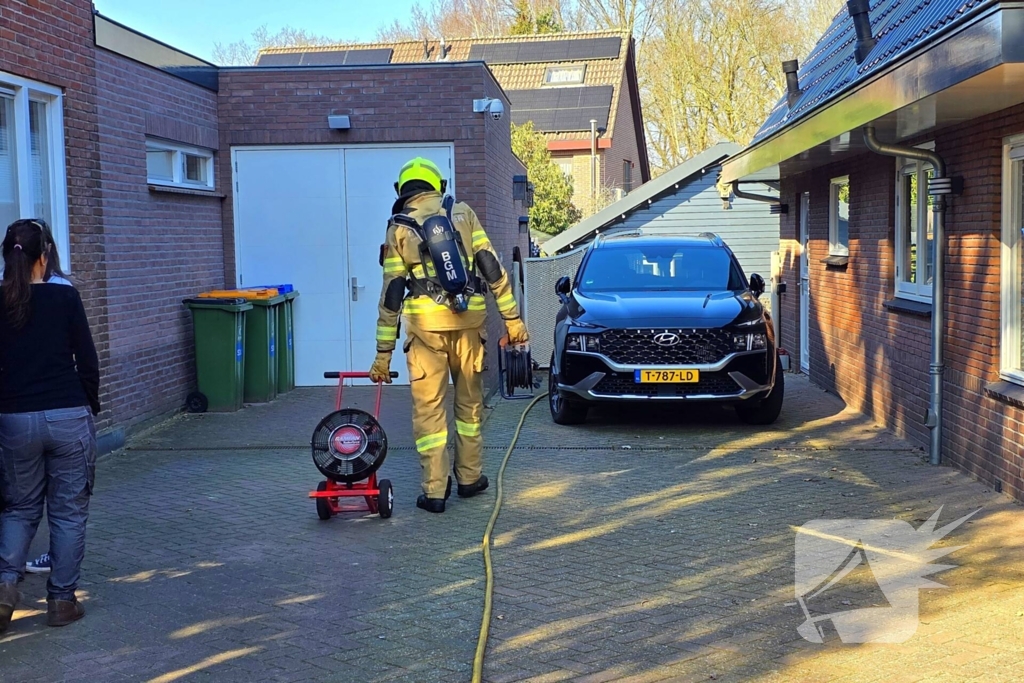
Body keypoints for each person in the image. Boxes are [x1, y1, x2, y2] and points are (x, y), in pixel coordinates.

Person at [370, 157, 529, 513]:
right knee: (469, 405)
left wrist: (383, 354)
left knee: (429, 413)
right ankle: (470, 479)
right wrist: (513, 320)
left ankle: (435, 491)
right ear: (438, 186)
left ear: (402, 191)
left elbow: (393, 292)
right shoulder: (462, 212)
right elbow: (491, 266)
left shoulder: (397, 227)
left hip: (425, 331)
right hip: (469, 325)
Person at [0, 219, 100, 632]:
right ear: (45, 255)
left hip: (14, 420)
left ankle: (4, 589)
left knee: (19, 508)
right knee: (68, 512)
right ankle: (61, 601)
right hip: (67, 415)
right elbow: (87, 359)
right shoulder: (66, 297)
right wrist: (88, 405)